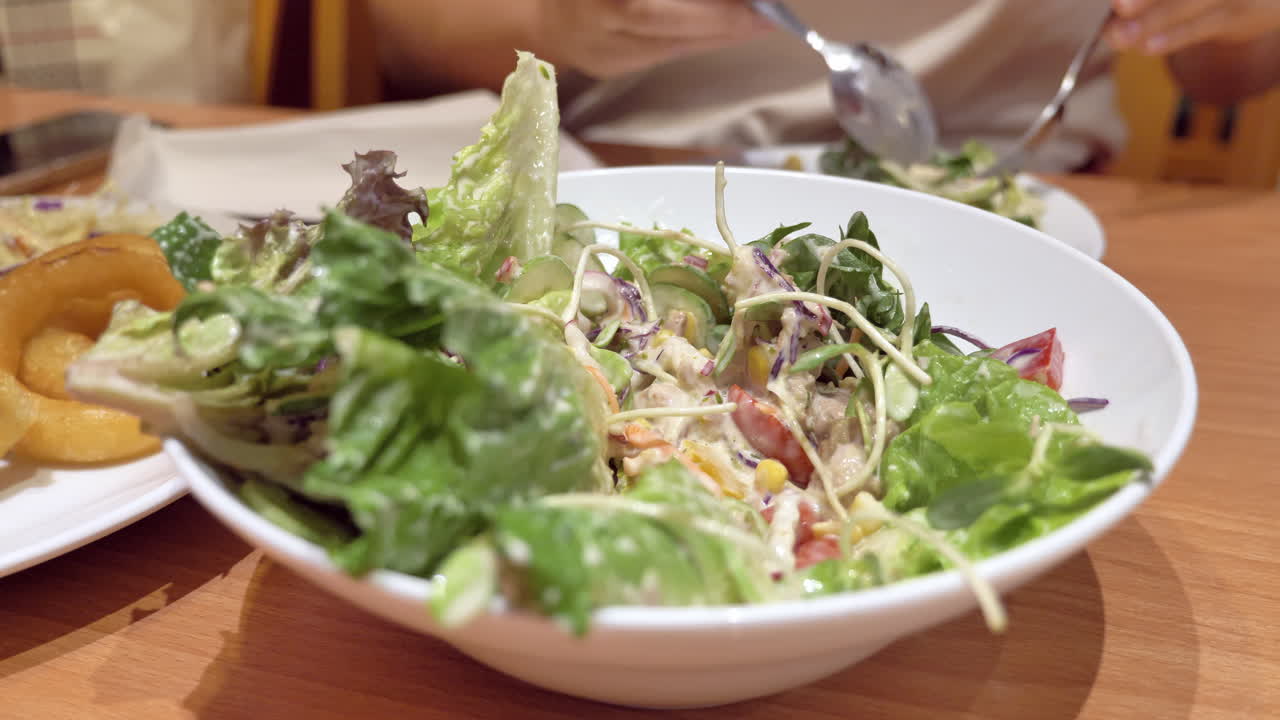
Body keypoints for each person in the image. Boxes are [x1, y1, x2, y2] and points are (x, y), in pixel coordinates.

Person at [367, 0, 1280, 172]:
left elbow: (1225, 75)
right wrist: (552, 28)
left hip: (1041, 198)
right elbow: (407, 35)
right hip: (627, 182)